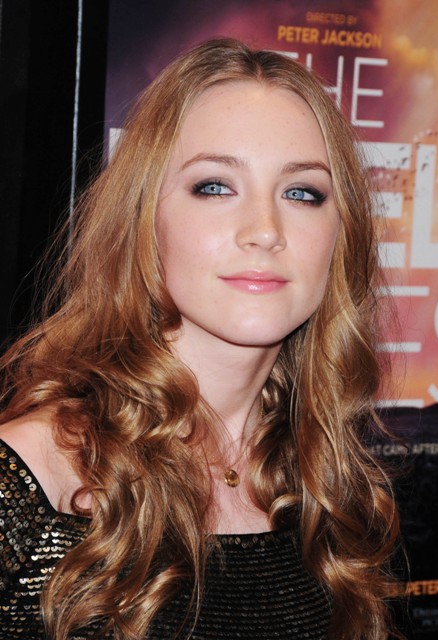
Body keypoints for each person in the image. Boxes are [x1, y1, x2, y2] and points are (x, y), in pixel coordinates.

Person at [0, 38, 401, 639]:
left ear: (341, 236)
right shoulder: (32, 474)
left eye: (302, 193)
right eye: (215, 186)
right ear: (144, 219)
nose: (265, 230)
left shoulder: (336, 487)